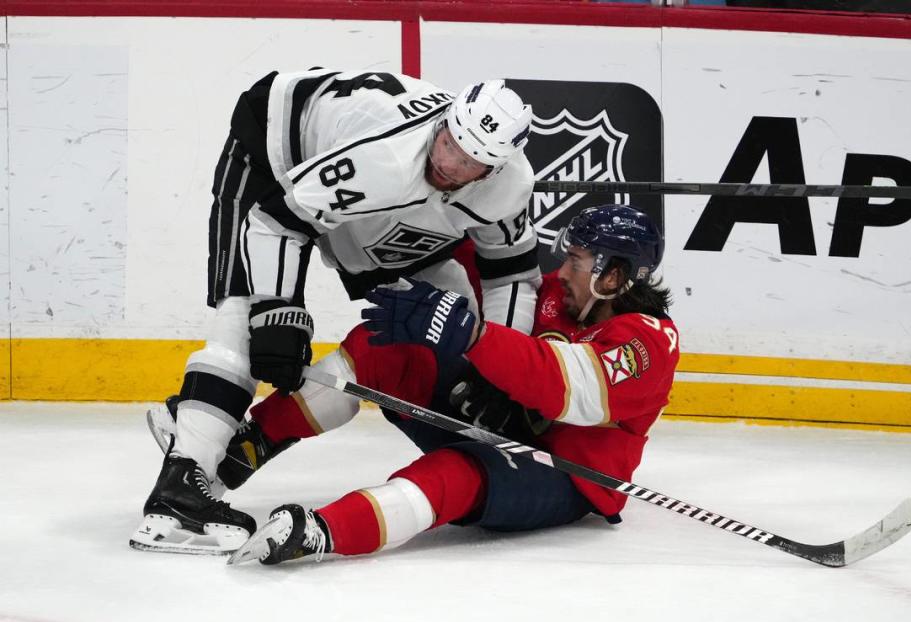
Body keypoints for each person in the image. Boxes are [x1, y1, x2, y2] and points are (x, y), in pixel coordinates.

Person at [130, 69, 542, 555]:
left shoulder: (509, 185)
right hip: (277, 154)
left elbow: (511, 275)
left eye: (471, 161)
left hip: (379, 196)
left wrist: (502, 371)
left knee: (444, 306)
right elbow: (275, 221)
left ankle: (217, 433)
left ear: (494, 169)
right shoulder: (386, 156)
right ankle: (181, 490)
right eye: (450, 142)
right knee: (243, 317)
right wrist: (275, 308)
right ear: (446, 121)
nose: (450, 163)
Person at [224, 204, 680, 566]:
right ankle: (253, 443)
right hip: (501, 420)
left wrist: (474, 335)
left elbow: (565, 388)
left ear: (613, 276)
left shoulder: (649, 344)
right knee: (386, 344)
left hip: (566, 475)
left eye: (576, 262)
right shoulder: (556, 297)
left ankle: (321, 533)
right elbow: (478, 274)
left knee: (456, 472)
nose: (561, 272)